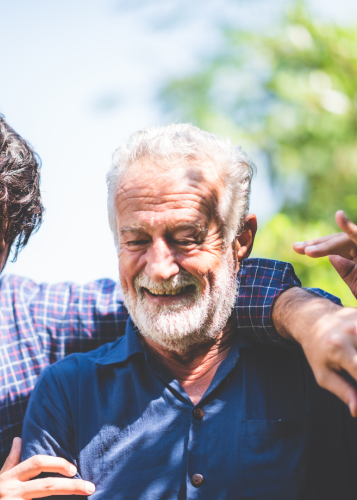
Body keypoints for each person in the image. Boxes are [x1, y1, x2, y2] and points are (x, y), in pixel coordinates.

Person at [0, 101, 353, 500]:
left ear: (9, 248)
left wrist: (312, 316)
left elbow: (192, 297)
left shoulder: (32, 320)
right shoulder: (67, 389)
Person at [20, 124, 357, 499]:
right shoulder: (68, 392)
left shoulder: (313, 362)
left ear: (240, 239)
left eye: (186, 239)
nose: (160, 268)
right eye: (136, 241)